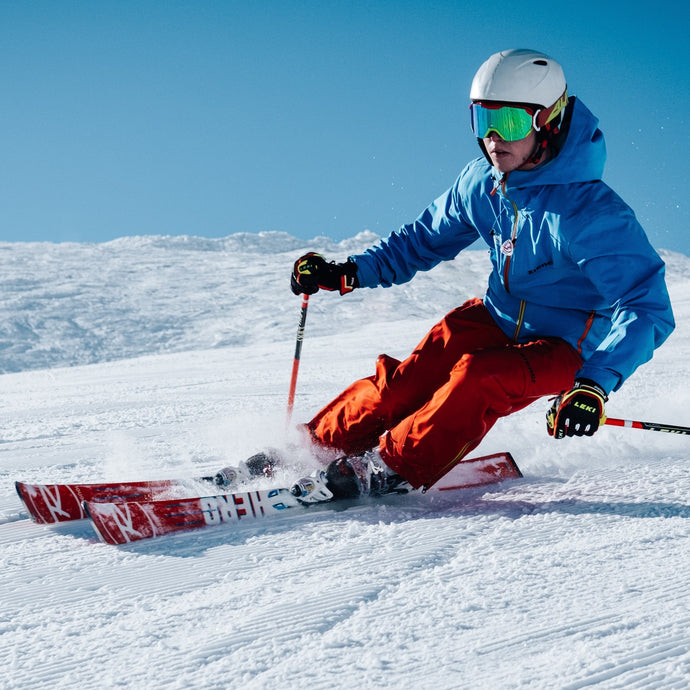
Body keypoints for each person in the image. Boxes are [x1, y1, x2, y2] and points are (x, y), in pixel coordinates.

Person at [285, 48, 675, 502]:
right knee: (408, 381)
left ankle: (390, 468)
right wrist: (348, 271)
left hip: (567, 345)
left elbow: (646, 308)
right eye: (481, 121)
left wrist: (594, 384)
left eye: (507, 123)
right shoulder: (482, 182)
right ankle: (310, 448)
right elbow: (421, 240)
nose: (492, 138)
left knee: (480, 375)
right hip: (496, 316)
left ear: (547, 121)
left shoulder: (591, 214)